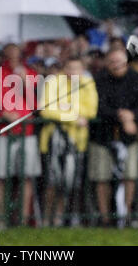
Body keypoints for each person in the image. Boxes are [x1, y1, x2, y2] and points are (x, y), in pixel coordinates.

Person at [88, 47, 138, 227]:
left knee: (129, 175)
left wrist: (132, 117)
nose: (117, 65)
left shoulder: (137, 79)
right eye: (113, 62)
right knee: (102, 177)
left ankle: (126, 215)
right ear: (107, 63)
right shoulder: (98, 79)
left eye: (120, 62)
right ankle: (105, 217)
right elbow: (97, 106)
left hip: (128, 138)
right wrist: (120, 116)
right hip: (102, 136)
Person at [0, 43, 41, 229]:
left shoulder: (30, 74)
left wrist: (27, 85)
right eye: (9, 48)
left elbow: (37, 105)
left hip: (27, 132)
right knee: (0, 177)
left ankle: (23, 220)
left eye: (15, 48)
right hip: (5, 131)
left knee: (26, 177)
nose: (12, 52)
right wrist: (2, 112)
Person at [39, 56, 98, 227]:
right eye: (70, 68)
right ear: (64, 68)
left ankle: (58, 218)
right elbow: (46, 110)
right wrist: (73, 116)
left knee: (69, 182)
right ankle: (45, 218)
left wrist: (63, 108)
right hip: (53, 140)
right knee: (52, 181)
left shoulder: (88, 84)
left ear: (82, 70)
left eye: (77, 69)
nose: (73, 72)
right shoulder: (53, 82)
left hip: (77, 141)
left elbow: (91, 111)